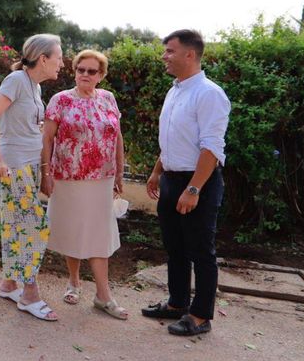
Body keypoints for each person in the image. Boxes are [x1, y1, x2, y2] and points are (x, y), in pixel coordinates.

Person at [141, 29, 231, 336]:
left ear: (189, 55)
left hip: (198, 183)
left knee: (200, 250)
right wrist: (157, 172)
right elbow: (172, 140)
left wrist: (194, 189)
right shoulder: (175, 90)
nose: (164, 56)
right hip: (171, 177)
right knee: (175, 247)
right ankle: (177, 303)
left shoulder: (209, 94)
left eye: (169, 51)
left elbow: (211, 148)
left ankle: (200, 315)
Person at [0, 33, 64, 322]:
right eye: (59, 57)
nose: (62, 63)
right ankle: (29, 293)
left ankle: (9, 283)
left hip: (27, 166)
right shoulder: (16, 80)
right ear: (43, 59)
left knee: (17, 226)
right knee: (34, 227)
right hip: (13, 165)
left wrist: (43, 170)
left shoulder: (34, 86)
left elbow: (35, 132)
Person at [40, 50, 128, 320]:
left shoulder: (108, 99)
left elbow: (118, 138)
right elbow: (47, 140)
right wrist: (46, 173)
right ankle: (74, 282)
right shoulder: (61, 100)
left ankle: (103, 295)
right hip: (68, 177)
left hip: (101, 179)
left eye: (92, 71)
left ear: (101, 75)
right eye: (81, 70)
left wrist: (119, 172)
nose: (85, 75)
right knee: (73, 231)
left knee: (98, 234)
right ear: (74, 71)